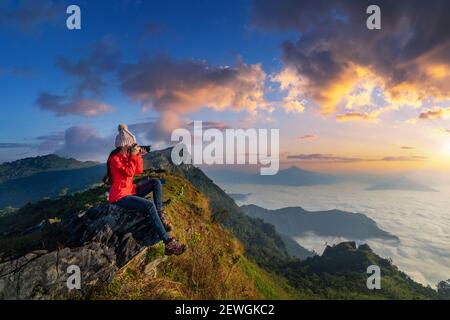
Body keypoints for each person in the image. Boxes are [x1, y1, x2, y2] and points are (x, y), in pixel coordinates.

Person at [105, 124, 186, 256]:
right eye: (131, 146)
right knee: (149, 206)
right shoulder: (115, 159)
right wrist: (133, 156)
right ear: (124, 146)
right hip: (119, 196)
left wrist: (138, 156)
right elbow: (129, 172)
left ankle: (160, 213)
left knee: (156, 182)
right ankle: (168, 242)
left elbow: (138, 170)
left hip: (130, 191)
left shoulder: (127, 156)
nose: (133, 148)